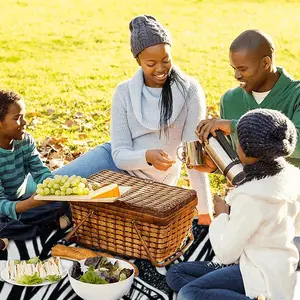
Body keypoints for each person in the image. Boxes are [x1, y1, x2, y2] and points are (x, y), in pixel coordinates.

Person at [53, 15, 213, 224]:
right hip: (113, 163)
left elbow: (193, 157)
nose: (160, 69)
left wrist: (205, 211)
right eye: (150, 63)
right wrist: (147, 156)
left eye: (166, 60)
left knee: (68, 207)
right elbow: (119, 155)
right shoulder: (124, 92)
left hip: (149, 184)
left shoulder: (190, 91)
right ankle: (11, 214)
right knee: (50, 188)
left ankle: (59, 219)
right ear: (138, 60)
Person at [166, 108, 300, 300]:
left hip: (259, 276)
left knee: (189, 293)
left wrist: (222, 215)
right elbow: (294, 225)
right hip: (277, 267)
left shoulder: (251, 197)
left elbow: (226, 253)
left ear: (244, 150)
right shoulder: (292, 177)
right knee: (176, 274)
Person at [195, 29, 300, 172]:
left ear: (265, 63)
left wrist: (236, 127)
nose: (236, 75)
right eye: (234, 68)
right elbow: (238, 162)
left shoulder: (296, 95)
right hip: (249, 190)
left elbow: (296, 144)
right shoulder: (230, 99)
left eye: (242, 69)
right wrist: (215, 167)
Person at [0, 90, 70, 241]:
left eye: (24, 116)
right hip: (5, 208)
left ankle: (19, 233)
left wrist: (53, 189)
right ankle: (46, 227)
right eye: (17, 118)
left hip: (21, 202)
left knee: (66, 203)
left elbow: (40, 172)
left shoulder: (25, 141)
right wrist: (28, 205)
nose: (24, 122)